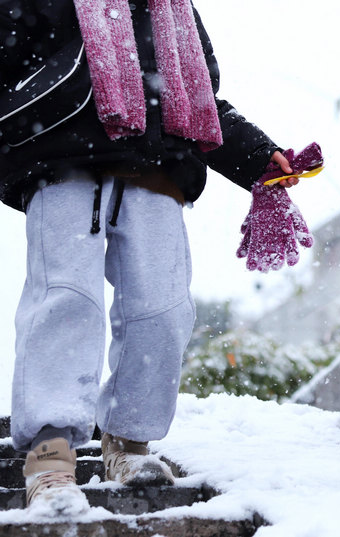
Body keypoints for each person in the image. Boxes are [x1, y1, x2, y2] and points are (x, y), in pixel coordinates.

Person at [0, 0, 314, 515]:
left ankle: (127, 443)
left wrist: (258, 154)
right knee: (64, 300)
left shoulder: (173, 8)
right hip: (59, 163)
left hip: (159, 168)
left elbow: (199, 99)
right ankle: (49, 454)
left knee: (163, 311)